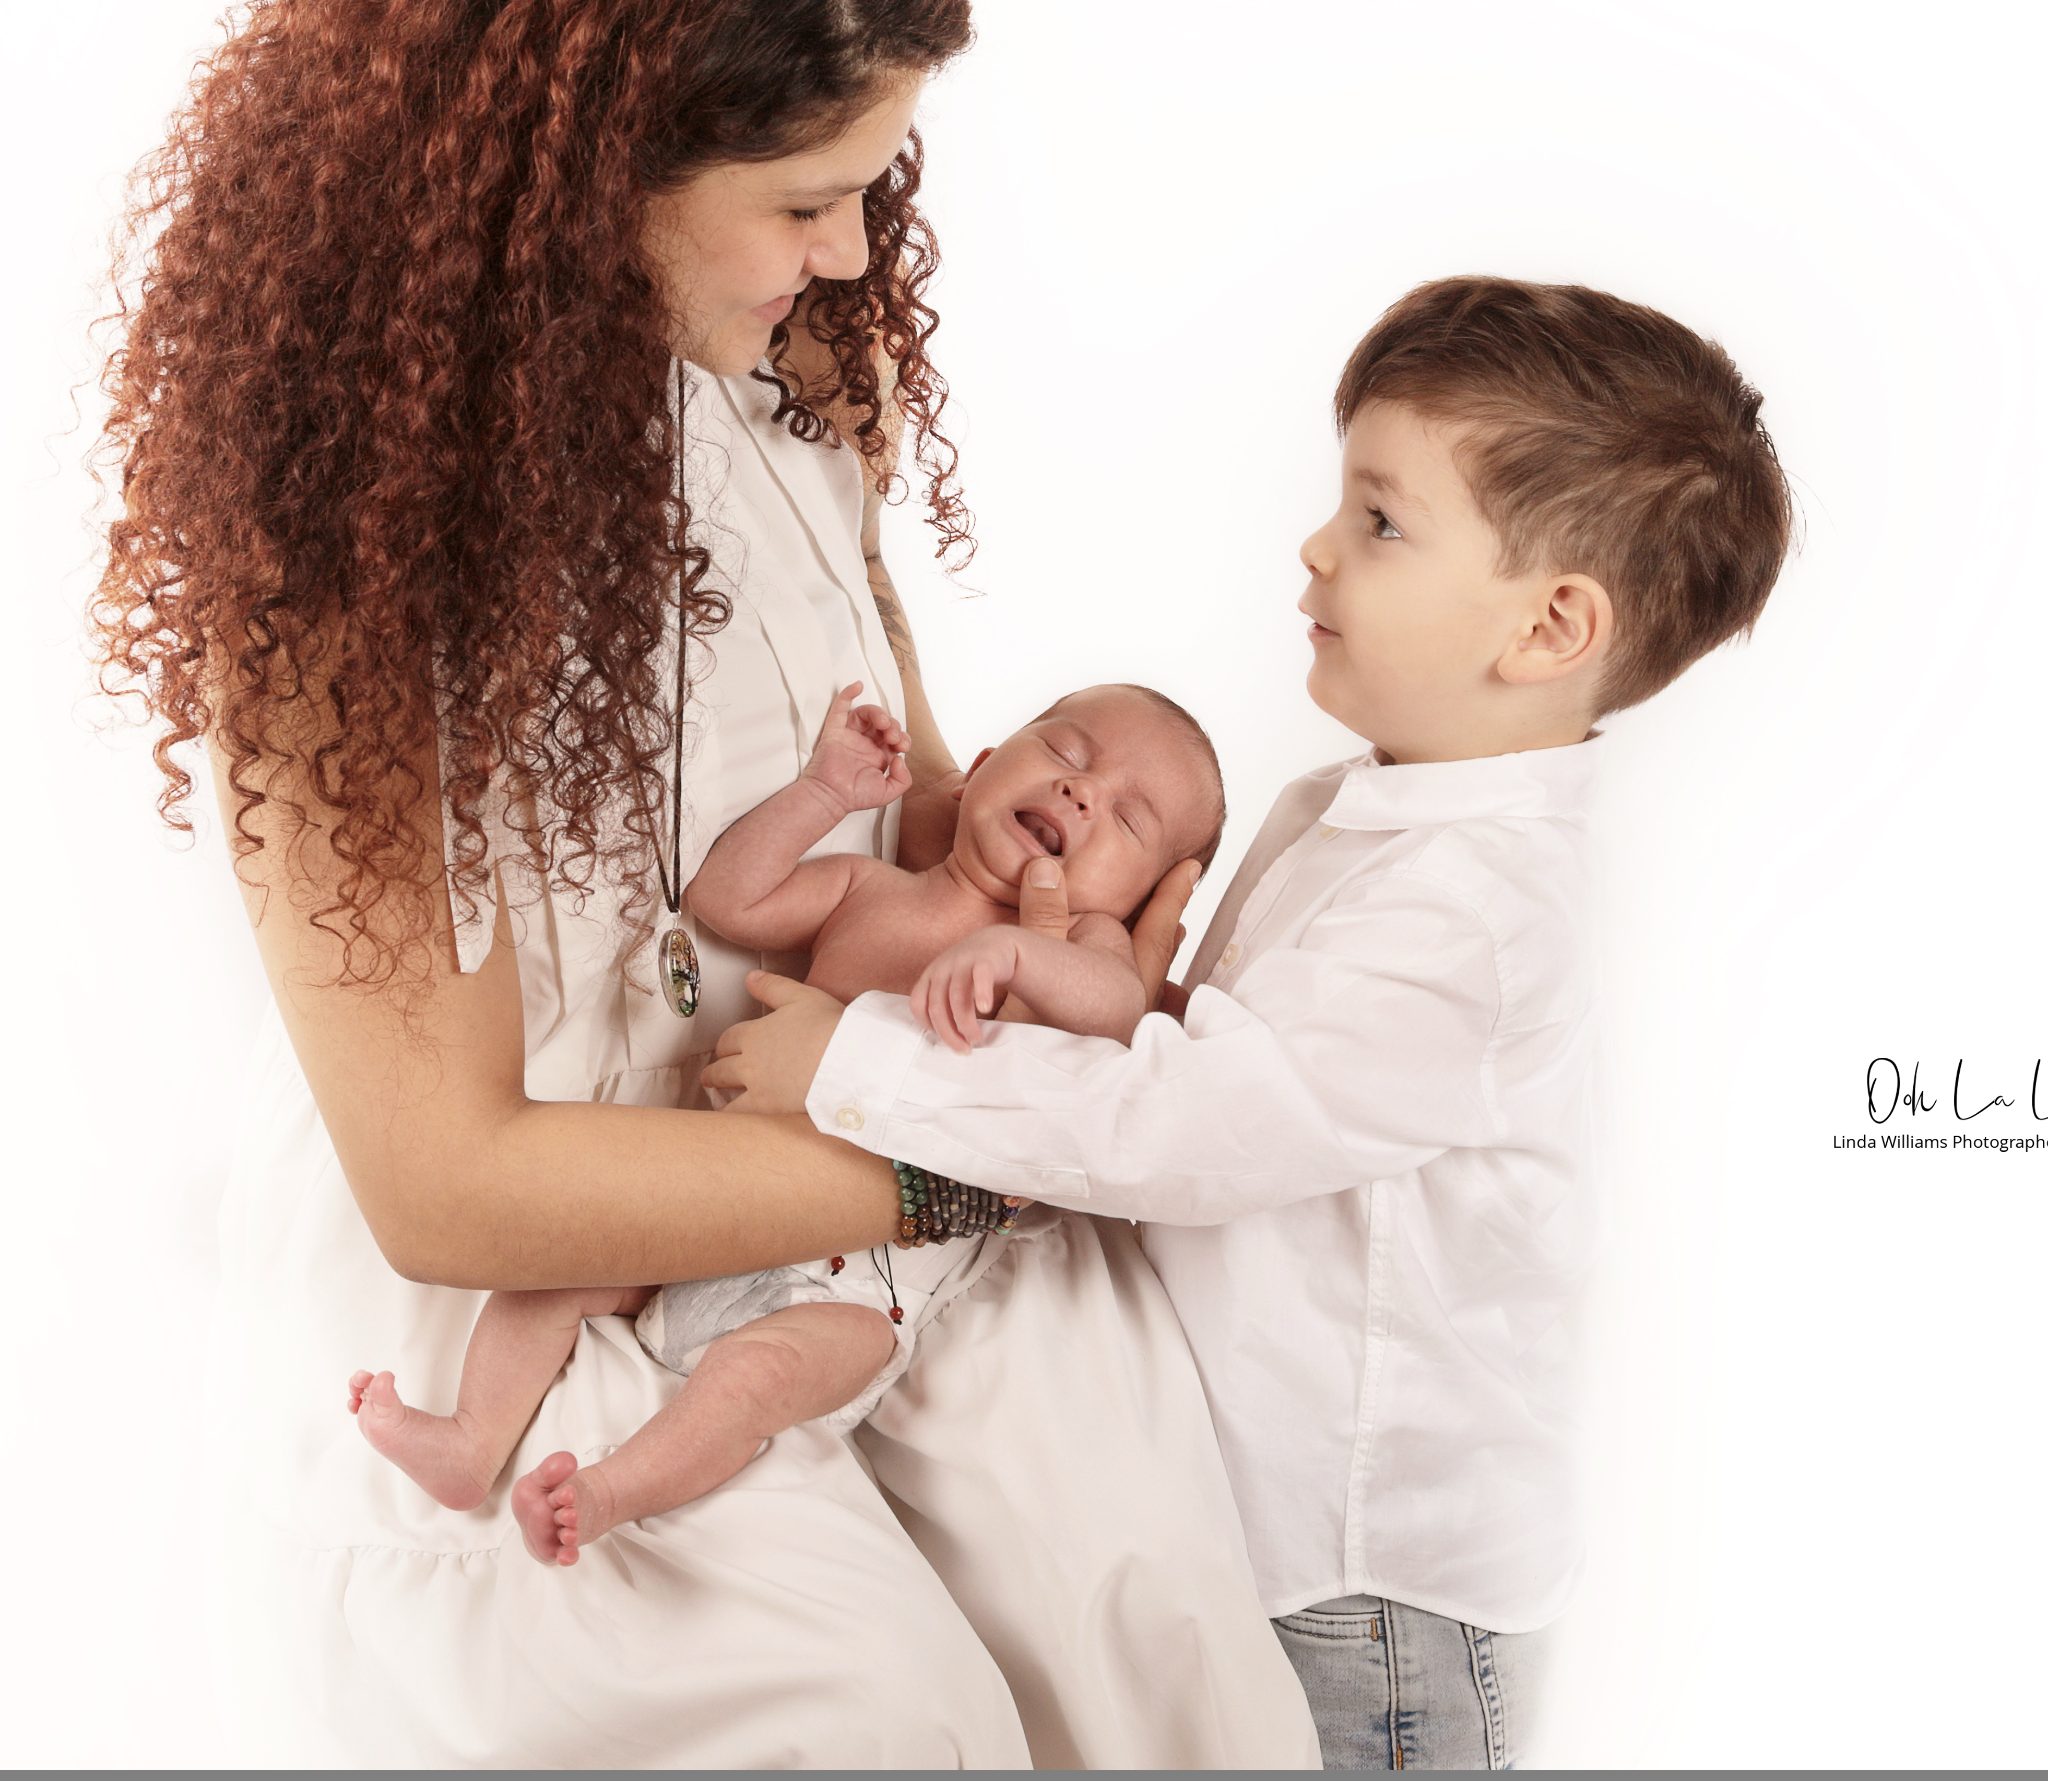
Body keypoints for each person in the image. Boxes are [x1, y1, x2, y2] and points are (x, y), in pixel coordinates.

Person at [89, 0, 1318, 1769]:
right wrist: (925, 1167)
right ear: (575, 179)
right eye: (804, 200)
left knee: (1157, 1611)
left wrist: (1080, 904)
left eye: (871, 191)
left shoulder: (784, 391)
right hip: (570, 1278)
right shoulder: (350, 568)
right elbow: (448, 1183)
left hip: (858, 1167)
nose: (850, 256)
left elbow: (922, 801)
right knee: (875, 1717)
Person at [707, 275, 1797, 1771]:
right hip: (1280, 1551)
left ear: (1550, 625)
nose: (1317, 546)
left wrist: (852, 1061)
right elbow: (1224, 1074)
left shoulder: (1471, 911)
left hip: (1369, 1598)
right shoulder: (1380, 807)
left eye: (1381, 521)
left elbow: (1189, 1124)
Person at [346, 680, 1226, 1566]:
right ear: (982, 772)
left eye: (1128, 818)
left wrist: (1020, 953)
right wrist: (824, 793)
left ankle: (607, 1492)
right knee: (553, 1270)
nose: (1082, 792)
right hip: (725, 1212)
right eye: (1068, 755)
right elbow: (729, 899)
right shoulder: (869, 888)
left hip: (857, 1291)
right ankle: (470, 1440)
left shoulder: (1084, 951)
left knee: (752, 1381)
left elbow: (1114, 1013)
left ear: (1140, 898)